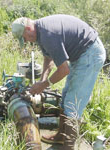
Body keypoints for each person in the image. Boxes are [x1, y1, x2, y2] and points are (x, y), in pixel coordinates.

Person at [11, 14, 106, 150]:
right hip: (80, 55)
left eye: (24, 38)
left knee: (73, 103)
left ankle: (68, 147)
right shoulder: (40, 33)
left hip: (90, 54)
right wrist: (42, 80)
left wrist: (43, 85)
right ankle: (61, 137)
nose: (26, 42)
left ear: (28, 29)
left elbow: (63, 70)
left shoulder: (49, 34)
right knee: (66, 95)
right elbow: (48, 60)